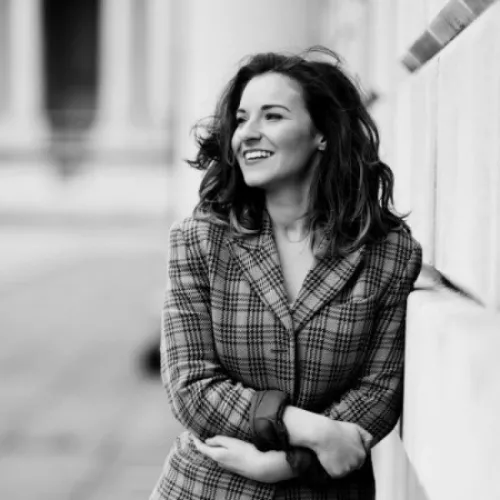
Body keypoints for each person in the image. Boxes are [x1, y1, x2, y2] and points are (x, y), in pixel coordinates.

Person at [150, 46, 422, 500]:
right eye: (241, 119)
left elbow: (378, 394)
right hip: (209, 486)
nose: (247, 134)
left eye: (272, 116)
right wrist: (311, 430)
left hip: (325, 491)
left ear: (323, 134)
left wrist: (284, 465)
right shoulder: (199, 240)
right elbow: (190, 385)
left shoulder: (387, 253)